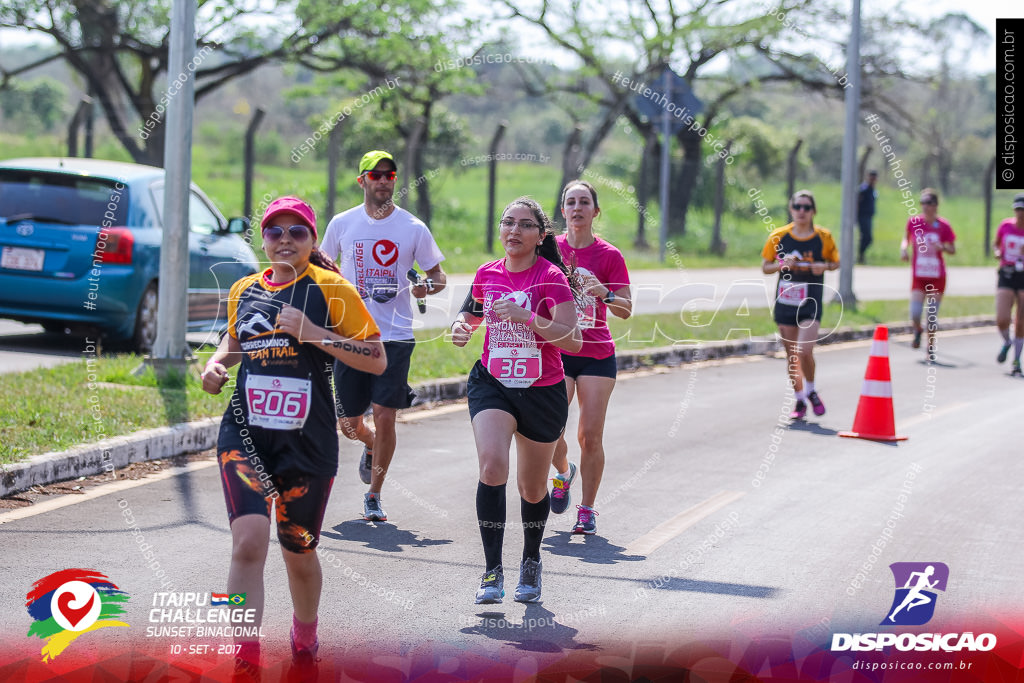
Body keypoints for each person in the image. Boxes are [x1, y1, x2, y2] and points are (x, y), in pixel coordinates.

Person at [201, 196, 385, 676]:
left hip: (307, 441)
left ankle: (305, 634)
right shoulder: (244, 288)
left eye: (296, 232)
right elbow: (236, 341)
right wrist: (217, 362)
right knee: (247, 542)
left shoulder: (332, 289)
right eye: (275, 231)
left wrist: (312, 333)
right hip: (244, 434)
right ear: (263, 239)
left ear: (312, 239)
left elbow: (375, 357)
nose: (284, 240)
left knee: (298, 551)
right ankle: (244, 655)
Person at [450, 196, 582, 604]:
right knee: (492, 466)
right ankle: (492, 571)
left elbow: (572, 339)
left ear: (541, 235)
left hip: (542, 390)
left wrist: (528, 318)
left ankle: (530, 559)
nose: (514, 231)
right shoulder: (487, 273)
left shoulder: (551, 278)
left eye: (525, 225)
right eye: (508, 222)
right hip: (493, 382)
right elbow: (470, 312)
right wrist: (461, 325)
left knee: (530, 488)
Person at [320, 150, 447, 522]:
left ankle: (374, 494)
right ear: (362, 180)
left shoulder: (413, 228)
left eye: (390, 175)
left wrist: (426, 288)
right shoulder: (342, 224)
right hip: (350, 335)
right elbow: (322, 271)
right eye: (375, 175)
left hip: (394, 335)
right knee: (349, 424)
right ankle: (371, 444)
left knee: (386, 415)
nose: (383, 181)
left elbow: (437, 276)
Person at [548, 180, 632, 536]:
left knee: (590, 436)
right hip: (558, 351)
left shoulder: (609, 256)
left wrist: (604, 292)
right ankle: (564, 474)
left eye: (585, 202)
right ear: (563, 211)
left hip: (596, 353)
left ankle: (587, 509)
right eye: (571, 202)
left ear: (595, 211)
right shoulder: (550, 250)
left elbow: (626, 309)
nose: (578, 207)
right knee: (549, 430)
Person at [761, 190, 840, 420]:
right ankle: (799, 399)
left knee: (804, 350)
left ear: (813, 211)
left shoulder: (823, 237)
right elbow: (765, 267)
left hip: (810, 301)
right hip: (786, 301)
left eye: (806, 207)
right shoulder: (779, 236)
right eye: (797, 206)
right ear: (791, 209)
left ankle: (812, 390)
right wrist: (781, 265)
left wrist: (822, 267)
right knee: (791, 355)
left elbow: (836, 263)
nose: (801, 211)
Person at [900, 188, 956, 363]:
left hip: (937, 276)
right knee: (915, 313)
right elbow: (906, 239)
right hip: (919, 274)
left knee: (931, 315)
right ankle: (917, 329)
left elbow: (952, 249)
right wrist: (903, 249)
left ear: (936, 205)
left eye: (929, 203)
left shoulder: (944, 225)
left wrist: (943, 247)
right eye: (922, 203)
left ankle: (930, 349)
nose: (925, 207)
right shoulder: (914, 222)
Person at [994, 193, 1024, 375]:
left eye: (1023, 210)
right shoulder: (1005, 225)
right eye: (1018, 209)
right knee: (1002, 318)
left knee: (1021, 321)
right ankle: (1007, 342)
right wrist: (997, 251)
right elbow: (996, 244)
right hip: (1007, 272)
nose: (1021, 213)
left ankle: (1016, 360)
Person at [857, 170, 878, 264]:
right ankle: (860, 255)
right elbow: (857, 202)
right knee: (867, 237)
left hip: (869, 217)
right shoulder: (863, 189)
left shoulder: (873, 190)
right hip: (863, 216)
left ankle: (861, 255)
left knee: (867, 238)